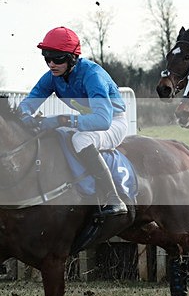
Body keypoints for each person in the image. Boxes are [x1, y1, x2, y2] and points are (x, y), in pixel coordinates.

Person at [18, 26, 129, 218]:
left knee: (80, 140)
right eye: (47, 58)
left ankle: (113, 198)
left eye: (57, 58)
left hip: (113, 123)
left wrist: (61, 119)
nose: (51, 64)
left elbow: (103, 120)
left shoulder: (93, 75)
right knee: (54, 136)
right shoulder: (52, 77)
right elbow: (27, 105)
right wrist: (26, 118)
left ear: (72, 58)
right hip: (92, 120)